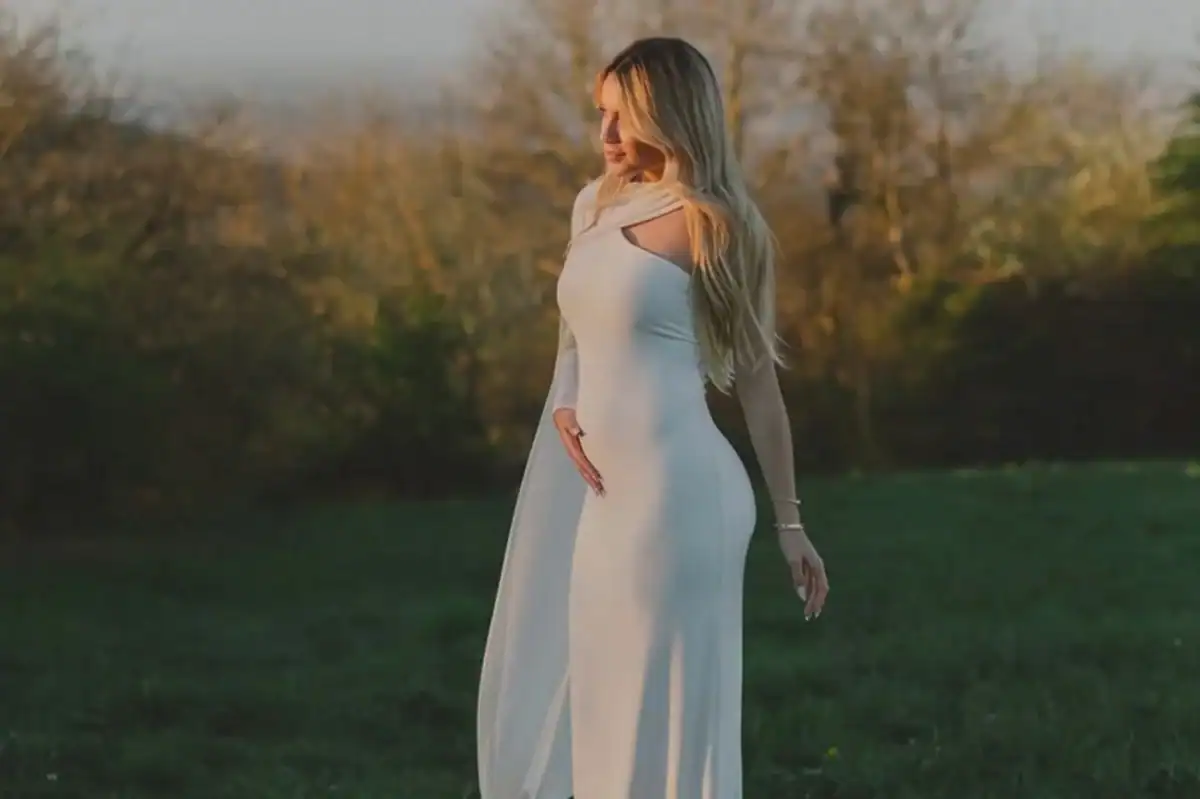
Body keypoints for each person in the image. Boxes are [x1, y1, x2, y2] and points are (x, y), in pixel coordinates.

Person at [476, 36, 830, 799]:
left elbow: (758, 386)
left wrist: (790, 522)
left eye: (623, 117)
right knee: (602, 697)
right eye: (600, 114)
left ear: (672, 116)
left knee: (659, 701)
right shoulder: (595, 205)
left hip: (682, 497)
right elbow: (579, 337)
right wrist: (567, 398)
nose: (605, 134)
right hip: (605, 502)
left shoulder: (720, 225)